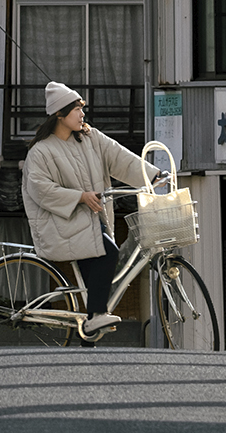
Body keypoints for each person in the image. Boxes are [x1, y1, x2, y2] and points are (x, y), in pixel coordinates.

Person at [19, 81, 147, 342]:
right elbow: (39, 189)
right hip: (61, 222)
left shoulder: (91, 138)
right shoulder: (41, 151)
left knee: (103, 256)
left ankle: (90, 326)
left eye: (81, 109)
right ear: (60, 114)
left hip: (87, 221)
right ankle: (95, 316)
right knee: (108, 252)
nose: (82, 114)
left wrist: (151, 176)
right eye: (76, 109)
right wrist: (80, 196)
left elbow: (120, 158)